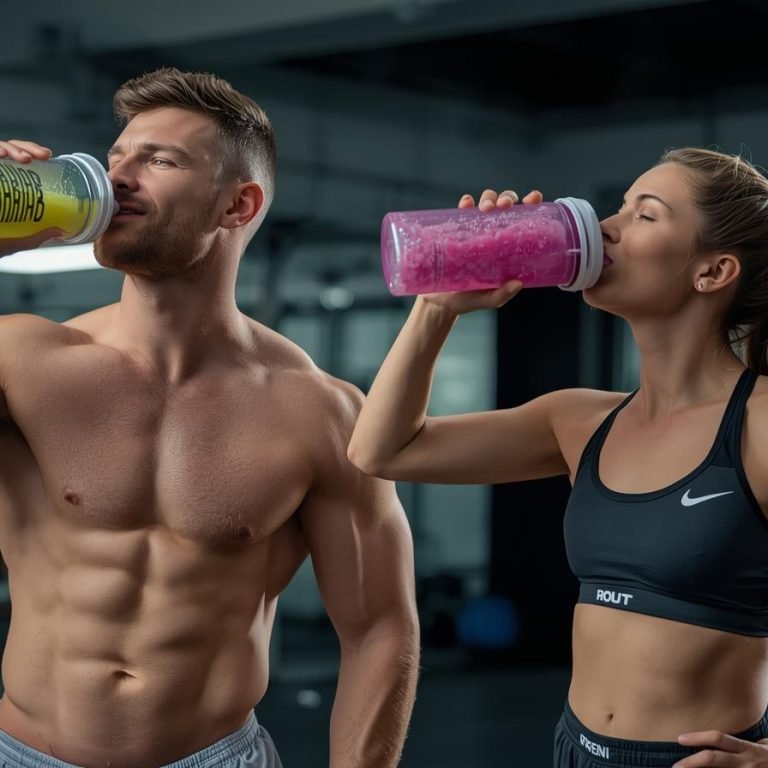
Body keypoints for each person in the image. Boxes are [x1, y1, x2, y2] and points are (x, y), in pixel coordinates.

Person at [0, 67, 419, 768]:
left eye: (160, 160)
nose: (120, 177)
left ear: (238, 205)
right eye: (116, 159)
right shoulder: (24, 358)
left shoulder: (321, 411)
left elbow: (379, 628)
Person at [347, 146, 768, 768]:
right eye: (620, 206)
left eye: (645, 216)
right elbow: (382, 449)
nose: (605, 227)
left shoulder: (758, 423)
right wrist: (438, 302)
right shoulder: (578, 420)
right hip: (572, 749)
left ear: (712, 272)